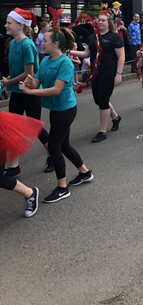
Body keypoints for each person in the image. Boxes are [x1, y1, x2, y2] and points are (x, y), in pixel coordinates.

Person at [20, 25, 93, 203]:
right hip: (56, 109)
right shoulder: (45, 60)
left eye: (44, 41)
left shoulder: (65, 63)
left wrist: (31, 93)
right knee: (64, 145)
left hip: (66, 109)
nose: (41, 43)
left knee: (54, 147)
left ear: (55, 43)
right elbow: (37, 82)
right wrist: (31, 83)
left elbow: (56, 90)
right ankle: (84, 173)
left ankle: (62, 188)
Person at [2, 8, 53, 175]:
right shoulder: (13, 44)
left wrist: (9, 81)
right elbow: (18, 70)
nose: (5, 25)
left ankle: (52, 155)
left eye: (9, 23)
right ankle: (14, 165)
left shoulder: (27, 44)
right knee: (11, 128)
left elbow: (28, 73)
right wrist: (10, 78)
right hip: (17, 91)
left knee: (35, 128)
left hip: (30, 92)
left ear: (20, 25)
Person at [70, 12, 124, 143]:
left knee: (103, 101)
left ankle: (102, 131)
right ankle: (115, 118)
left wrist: (119, 74)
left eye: (103, 20)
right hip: (95, 73)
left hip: (109, 72)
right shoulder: (93, 36)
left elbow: (121, 56)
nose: (100, 22)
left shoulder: (114, 37)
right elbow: (86, 53)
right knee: (98, 100)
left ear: (108, 22)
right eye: (99, 20)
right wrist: (69, 51)